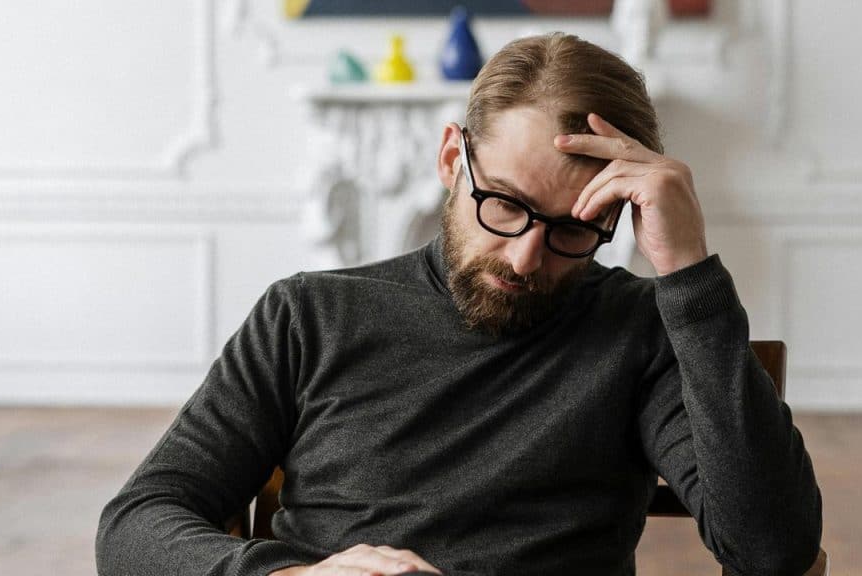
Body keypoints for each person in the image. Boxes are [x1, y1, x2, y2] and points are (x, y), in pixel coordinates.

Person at [97, 33, 822, 576]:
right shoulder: (308, 316)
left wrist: (688, 273)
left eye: (573, 228)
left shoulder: (645, 331)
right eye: (504, 204)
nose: (525, 257)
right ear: (452, 159)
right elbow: (134, 524)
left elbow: (772, 551)